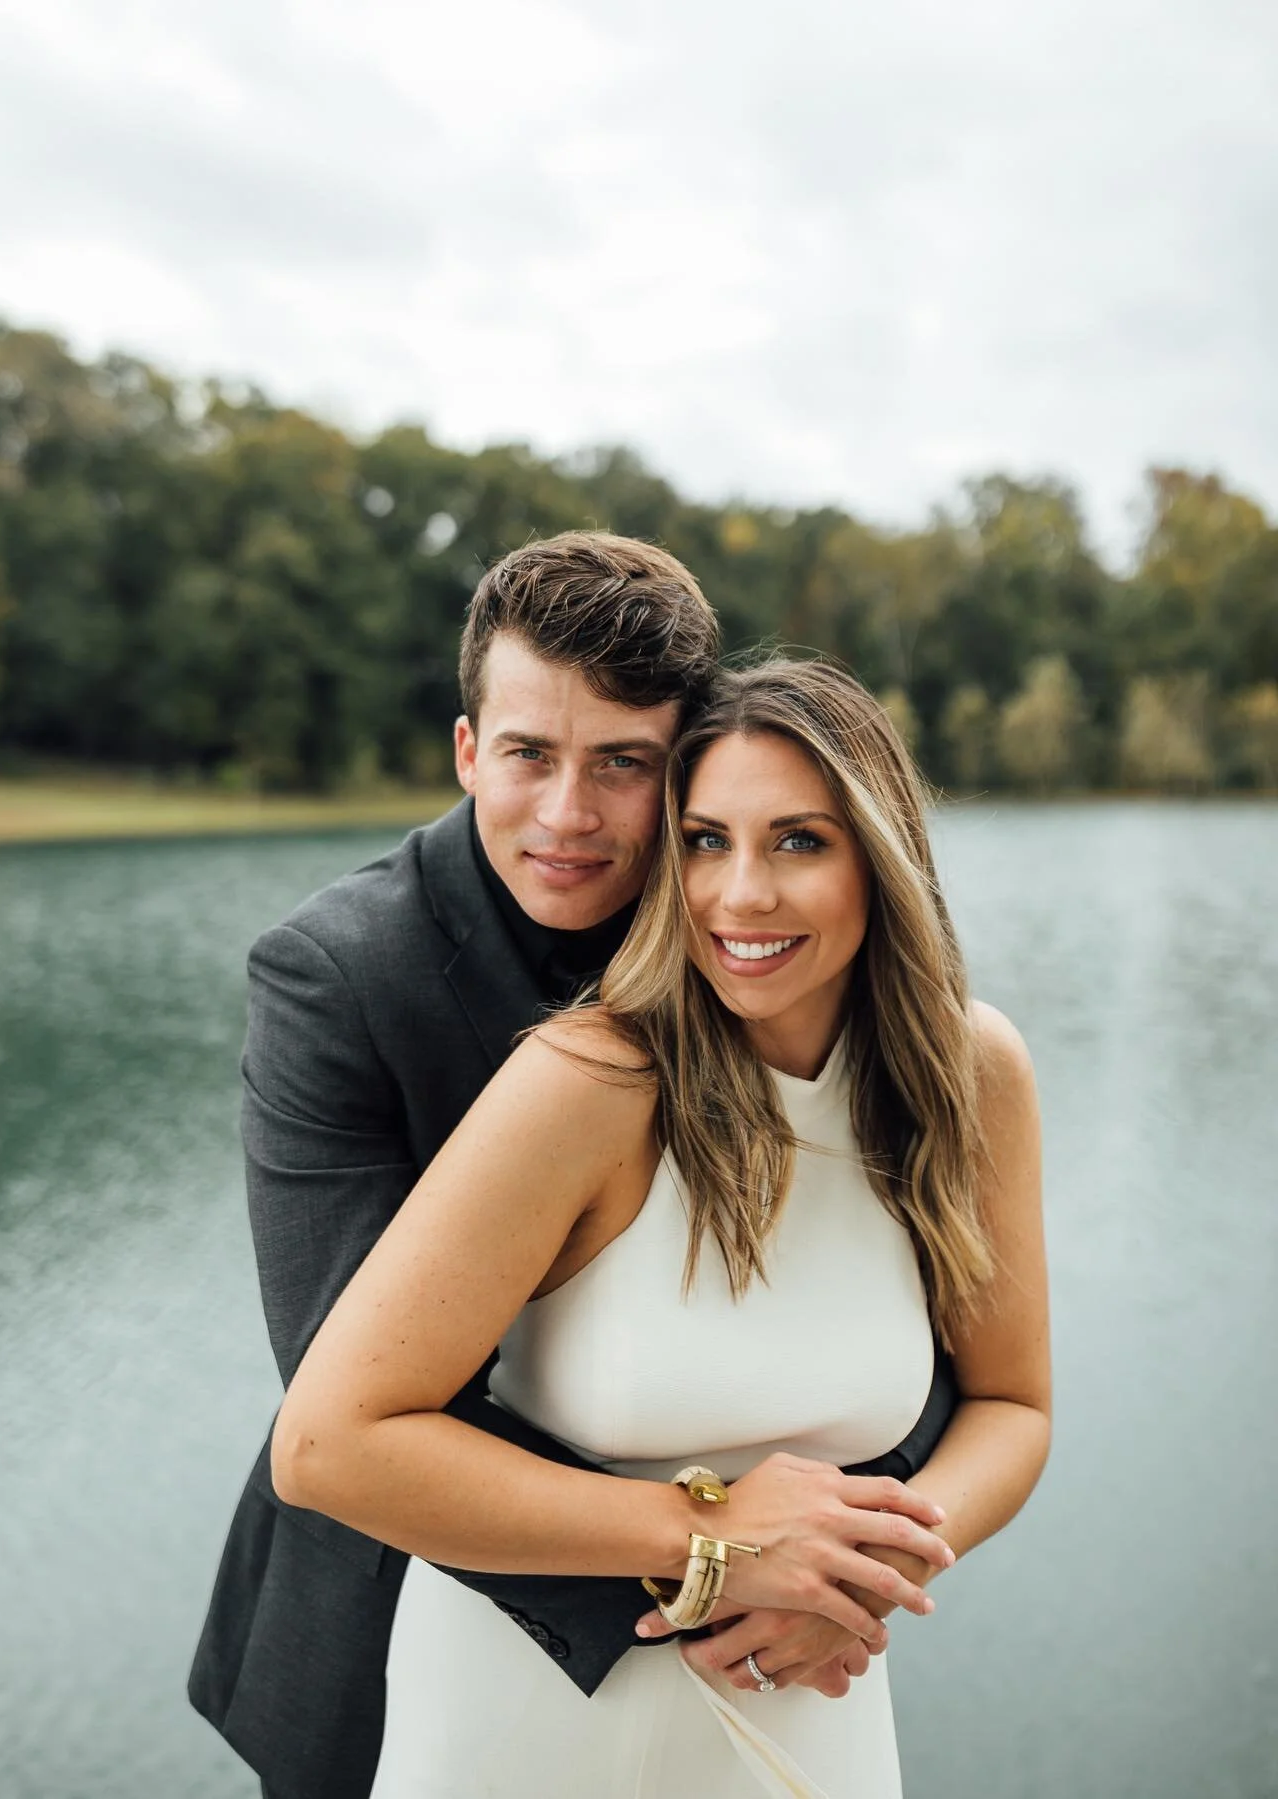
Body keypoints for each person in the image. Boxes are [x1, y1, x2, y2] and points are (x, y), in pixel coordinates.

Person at [188, 537, 960, 1798]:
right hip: (397, 1621)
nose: (567, 814)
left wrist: (853, 1547)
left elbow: (878, 1280)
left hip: (774, 1642)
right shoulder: (337, 976)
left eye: (623, 765)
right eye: (528, 754)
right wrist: (717, 1553)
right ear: (464, 750)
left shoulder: (761, 934)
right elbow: (351, 1397)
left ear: (686, 764)